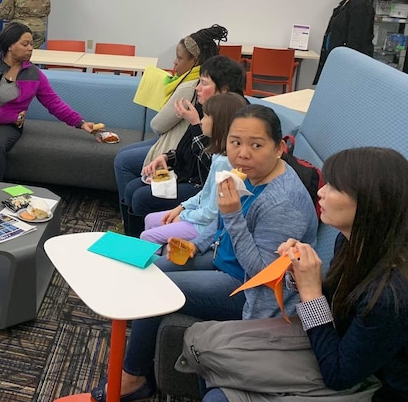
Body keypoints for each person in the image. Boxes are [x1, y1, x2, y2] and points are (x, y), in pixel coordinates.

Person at [91, 104, 318, 402]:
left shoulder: (283, 202)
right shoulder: (250, 173)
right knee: (152, 267)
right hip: (224, 259)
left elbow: (263, 275)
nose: (243, 153)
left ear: (278, 149)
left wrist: (233, 215)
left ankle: (133, 378)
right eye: (235, 143)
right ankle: (140, 358)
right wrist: (196, 244)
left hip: (247, 288)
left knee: (154, 288)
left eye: (256, 145)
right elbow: (219, 220)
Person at [203, 147, 408, 402]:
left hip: (373, 386)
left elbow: (338, 375)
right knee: (215, 362)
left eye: (334, 187)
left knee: (219, 394)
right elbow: (339, 303)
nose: (321, 192)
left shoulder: (390, 294)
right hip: (337, 348)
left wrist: (311, 293)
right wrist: (296, 273)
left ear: (371, 203)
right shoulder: (352, 243)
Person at [120, 55, 245, 237]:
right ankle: (130, 239)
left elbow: (210, 165)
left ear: (223, 90)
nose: (197, 88)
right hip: (186, 176)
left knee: (141, 197)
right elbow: (185, 148)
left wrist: (195, 124)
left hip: (197, 185)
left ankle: (142, 243)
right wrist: (167, 157)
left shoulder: (232, 118)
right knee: (132, 187)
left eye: (204, 83)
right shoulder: (205, 107)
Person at [0, 22, 97, 182]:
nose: (31, 48)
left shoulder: (34, 75)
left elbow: (54, 103)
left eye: (31, 44)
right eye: (25, 44)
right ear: (9, 45)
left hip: (7, 123)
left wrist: (80, 123)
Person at [113, 25, 228, 208]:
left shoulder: (189, 86)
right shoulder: (194, 83)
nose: (174, 62)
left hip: (182, 151)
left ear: (195, 60)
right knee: (122, 155)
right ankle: (131, 214)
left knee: (123, 162)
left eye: (180, 58)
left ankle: (130, 214)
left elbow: (158, 125)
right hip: (180, 147)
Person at [140, 92, 248, 245]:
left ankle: (157, 267)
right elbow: (205, 193)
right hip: (199, 216)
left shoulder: (224, 162)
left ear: (218, 123)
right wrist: (181, 207)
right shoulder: (218, 155)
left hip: (205, 226)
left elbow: (213, 213)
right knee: (150, 219)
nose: (201, 121)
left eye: (205, 117)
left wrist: (184, 215)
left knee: (147, 236)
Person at [313, 0, 375, 85]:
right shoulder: (344, 4)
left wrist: (347, 64)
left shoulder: (360, 5)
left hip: (347, 65)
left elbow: (356, 39)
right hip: (336, 60)